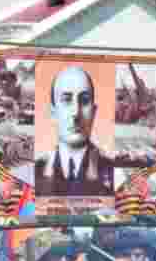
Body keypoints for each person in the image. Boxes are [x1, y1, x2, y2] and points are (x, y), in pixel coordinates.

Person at [34, 65, 115, 198]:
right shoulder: (36, 172)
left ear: (94, 112)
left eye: (84, 101)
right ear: (53, 113)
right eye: (66, 100)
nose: (75, 113)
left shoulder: (112, 172)